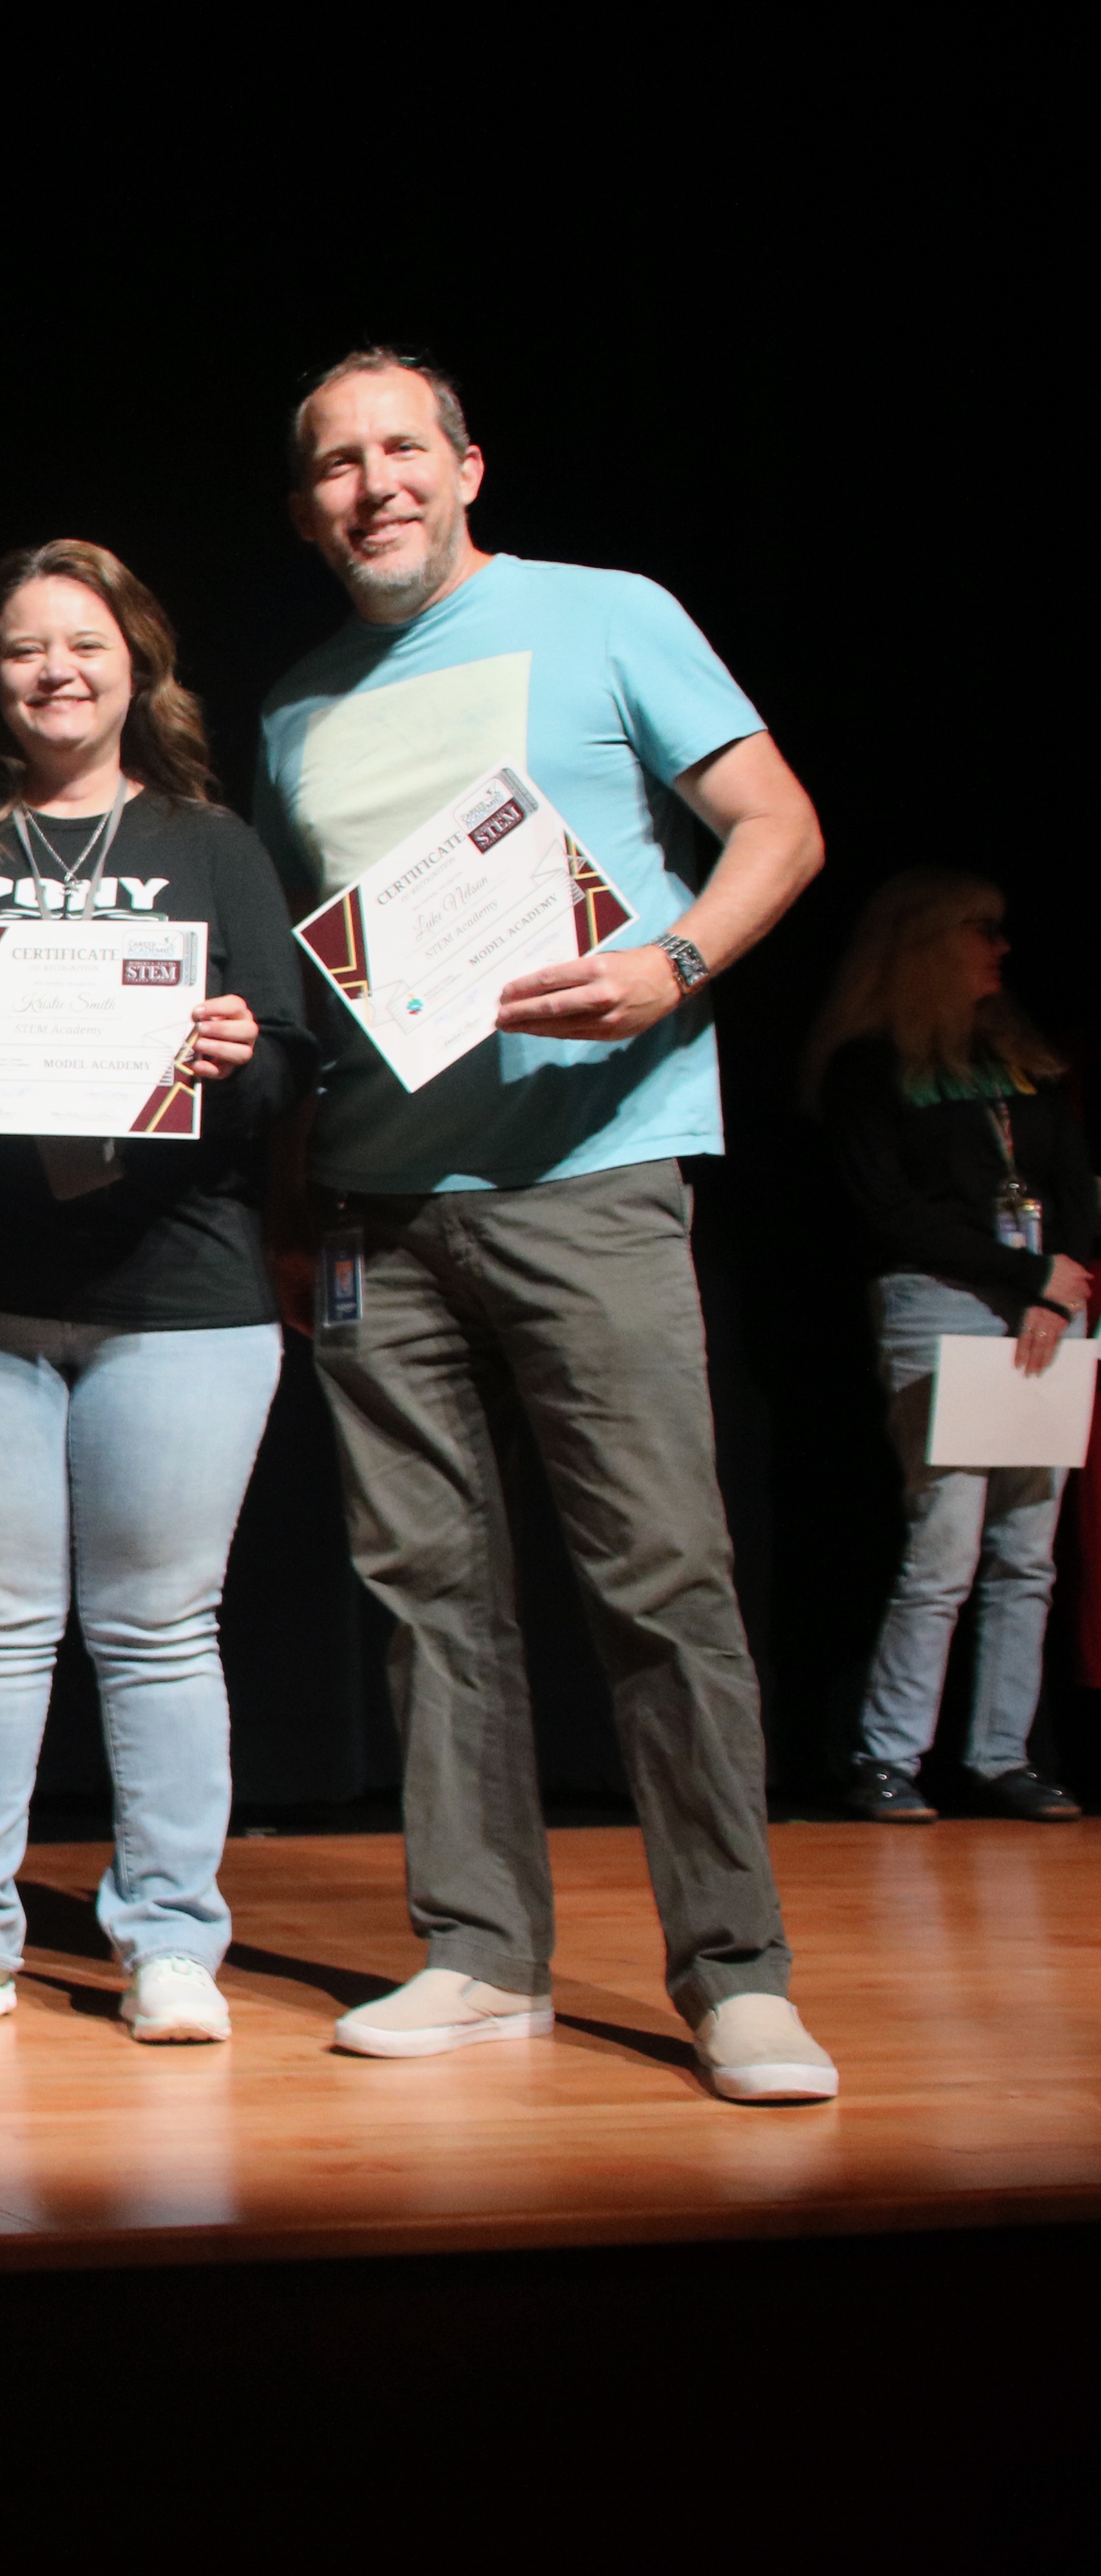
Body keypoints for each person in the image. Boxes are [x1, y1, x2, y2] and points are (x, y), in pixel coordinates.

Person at [257, 349, 838, 2103]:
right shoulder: (296, 711)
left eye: (403, 450)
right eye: (338, 465)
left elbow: (780, 826)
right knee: (428, 1591)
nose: (375, 485)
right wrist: (297, 1201)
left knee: (662, 1577)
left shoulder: (605, 616)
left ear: (468, 467)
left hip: (594, 1172)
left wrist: (672, 965)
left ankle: (735, 1974)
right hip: (378, 1205)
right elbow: (329, 991)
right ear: (307, 506)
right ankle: (482, 1956)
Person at [0, 541, 314, 2048]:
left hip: (180, 1290)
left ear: (136, 666)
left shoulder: (214, 846)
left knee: (162, 1627)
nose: (56, 670)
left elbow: (297, 1063)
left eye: (85, 645)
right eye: (25, 648)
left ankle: (170, 1935)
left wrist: (246, 1052)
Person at [807, 871, 1091, 1824]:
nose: (1001, 950)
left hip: (1049, 1309)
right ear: (928, 942)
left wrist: (1062, 1279)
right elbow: (894, 1211)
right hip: (946, 1310)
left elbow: (1076, 1181)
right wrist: (1027, 1280)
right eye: (983, 932)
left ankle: (1002, 1756)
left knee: (1031, 1554)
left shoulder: (1021, 1057)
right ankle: (890, 1758)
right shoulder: (871, 1067)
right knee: (947, 1546)